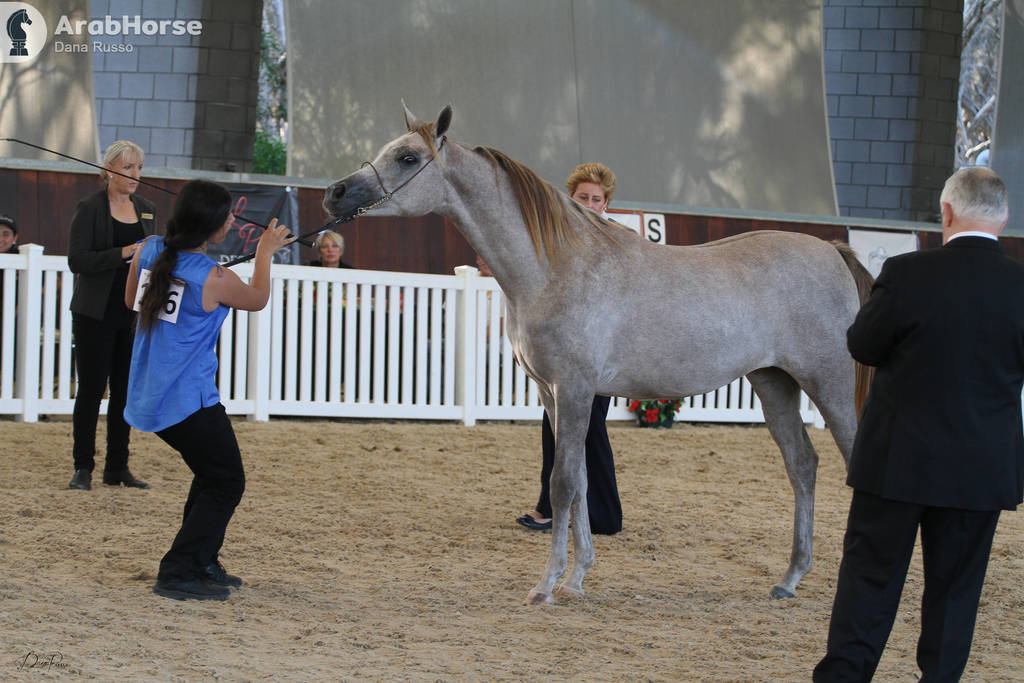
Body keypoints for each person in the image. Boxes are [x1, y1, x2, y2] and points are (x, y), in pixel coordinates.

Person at [814, 167, 1024, 682]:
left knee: (869, 579)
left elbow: (863, 346)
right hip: (981, 466)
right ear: (1004, 217)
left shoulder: (907, 273)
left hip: (896, 461)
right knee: (956, 592)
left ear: (946, 213)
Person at [124, 179, 294, 601]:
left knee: (211, 475)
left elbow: (132, 299)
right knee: (226, 482)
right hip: (188, 398)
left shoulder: (148, 250)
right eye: (229, 216)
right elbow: (257, 299)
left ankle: (202, 559)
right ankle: (178, 569)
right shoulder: (214, 277)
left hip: (150, 391)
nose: (233, 220)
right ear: (213, 225)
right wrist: (264, 254)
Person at [516, 162, 623, 535]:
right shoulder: (557, 237)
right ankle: (554, 506)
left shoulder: (616, 239)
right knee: (555, 428)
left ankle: (604, 516)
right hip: (565, 347)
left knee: (589, 428)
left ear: (605, 202)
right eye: (583, 197)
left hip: (600, 347)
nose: (589, 204)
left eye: (596, 199)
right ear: (570, 197)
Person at [67, 140, 156, 491]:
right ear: (108, 170)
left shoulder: (147, 208)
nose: (136, 175)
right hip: (95, 311)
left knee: (125, 391)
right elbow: (78, 260)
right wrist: (124, 252)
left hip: (133, 311)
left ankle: (117, 467)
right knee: (91, 390)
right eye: (128, 167)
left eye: (139, 167)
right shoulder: (89, 207)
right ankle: (82, 467)